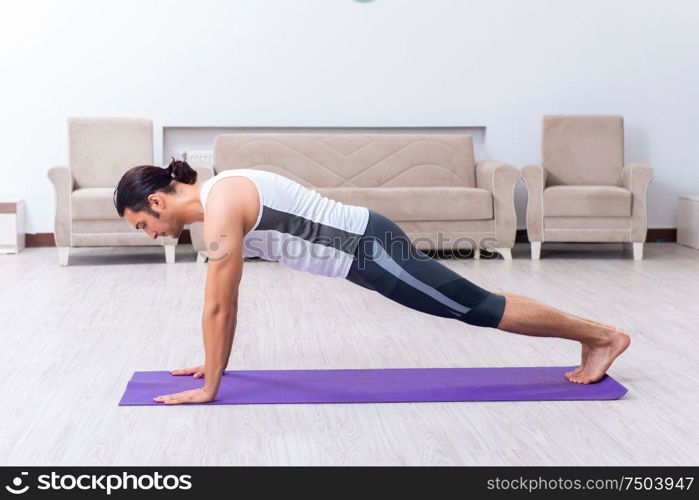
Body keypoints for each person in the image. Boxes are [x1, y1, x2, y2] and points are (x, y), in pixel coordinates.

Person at [113, 159, 630, 405]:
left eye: (143, 224)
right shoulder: (223, 197)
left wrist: (210, 388)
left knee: (475, 306)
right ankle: (595, 336)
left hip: (371, 251)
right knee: (473, 303)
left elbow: (219, 307)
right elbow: (226, 303)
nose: (152, 234)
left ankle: (601, 337)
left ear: (157, 201)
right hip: (369, 249)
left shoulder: (223, 203)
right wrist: (215, 361)